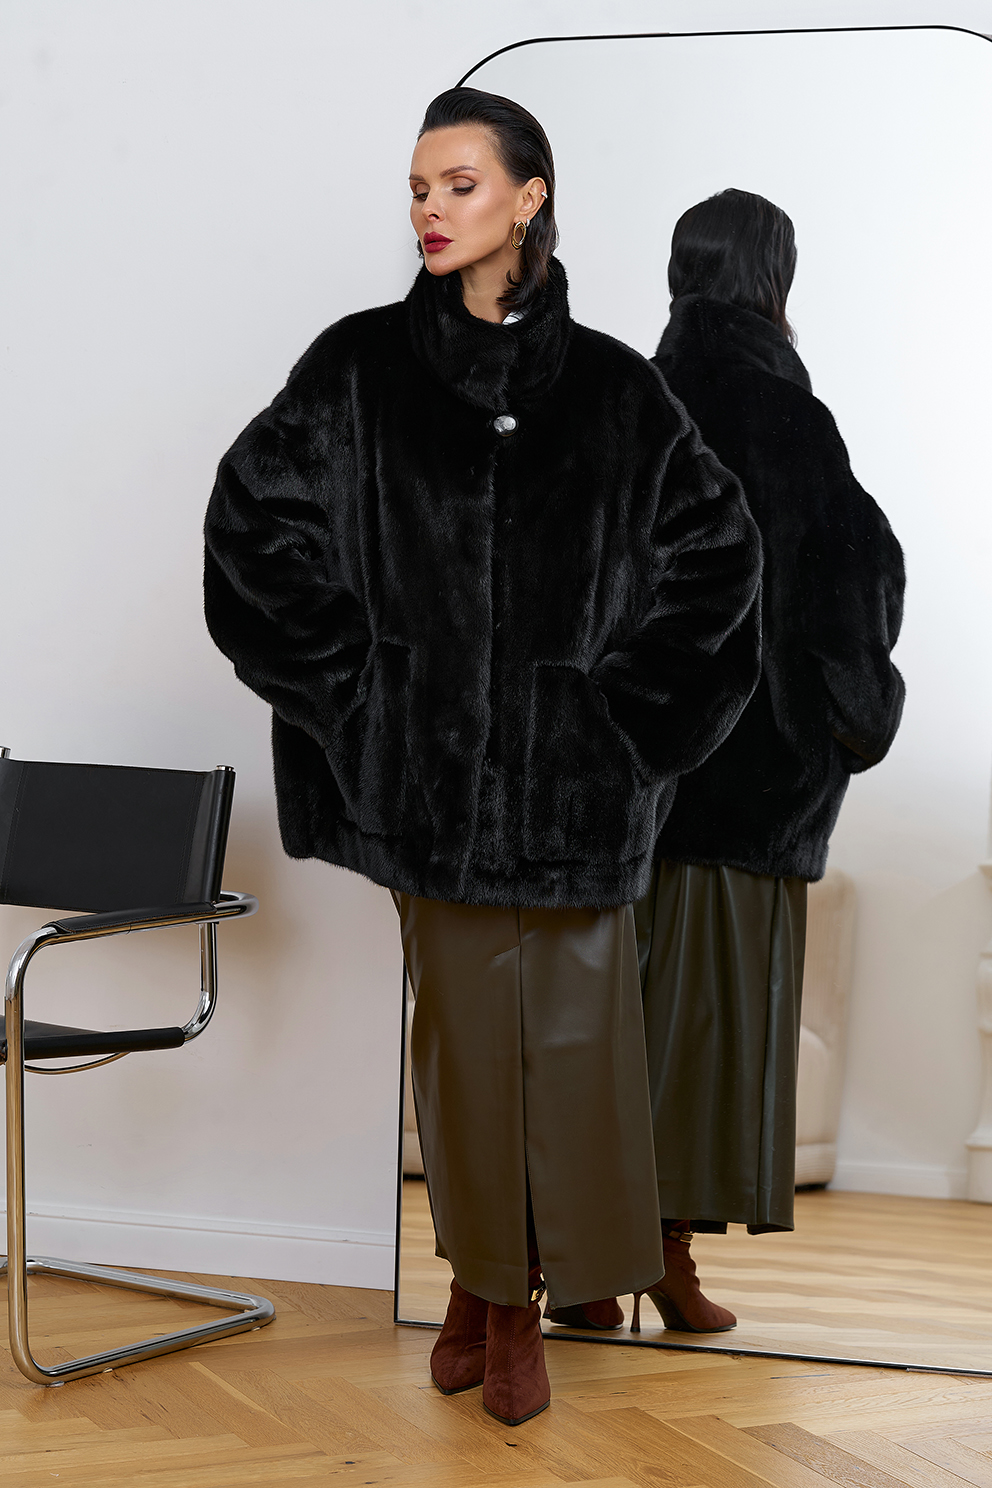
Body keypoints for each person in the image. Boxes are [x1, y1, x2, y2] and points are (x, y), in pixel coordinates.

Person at [203, 96, 762, 1425]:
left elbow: (719, 560)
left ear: (528, 197)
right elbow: (252, 530)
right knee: (461, 1044)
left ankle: (532, 1292)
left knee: (574, 1047)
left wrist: (627, 722)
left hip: (580, 796)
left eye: (459, 183)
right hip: (431, 790)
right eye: (417, 188)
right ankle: (487, 1291)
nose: (431, 209)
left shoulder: (618, 388)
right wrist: (364, 693)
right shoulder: (358, 369)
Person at [551, 188, 904, 1337]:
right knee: (699, 1045)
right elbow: (846, 593)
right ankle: (661, 1255)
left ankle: (589, 1269)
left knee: (598, 1033)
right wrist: (850, 722)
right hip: (741, 795)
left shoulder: (616, 406)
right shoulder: (783, 418)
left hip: (612, 794)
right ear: (773, 280)